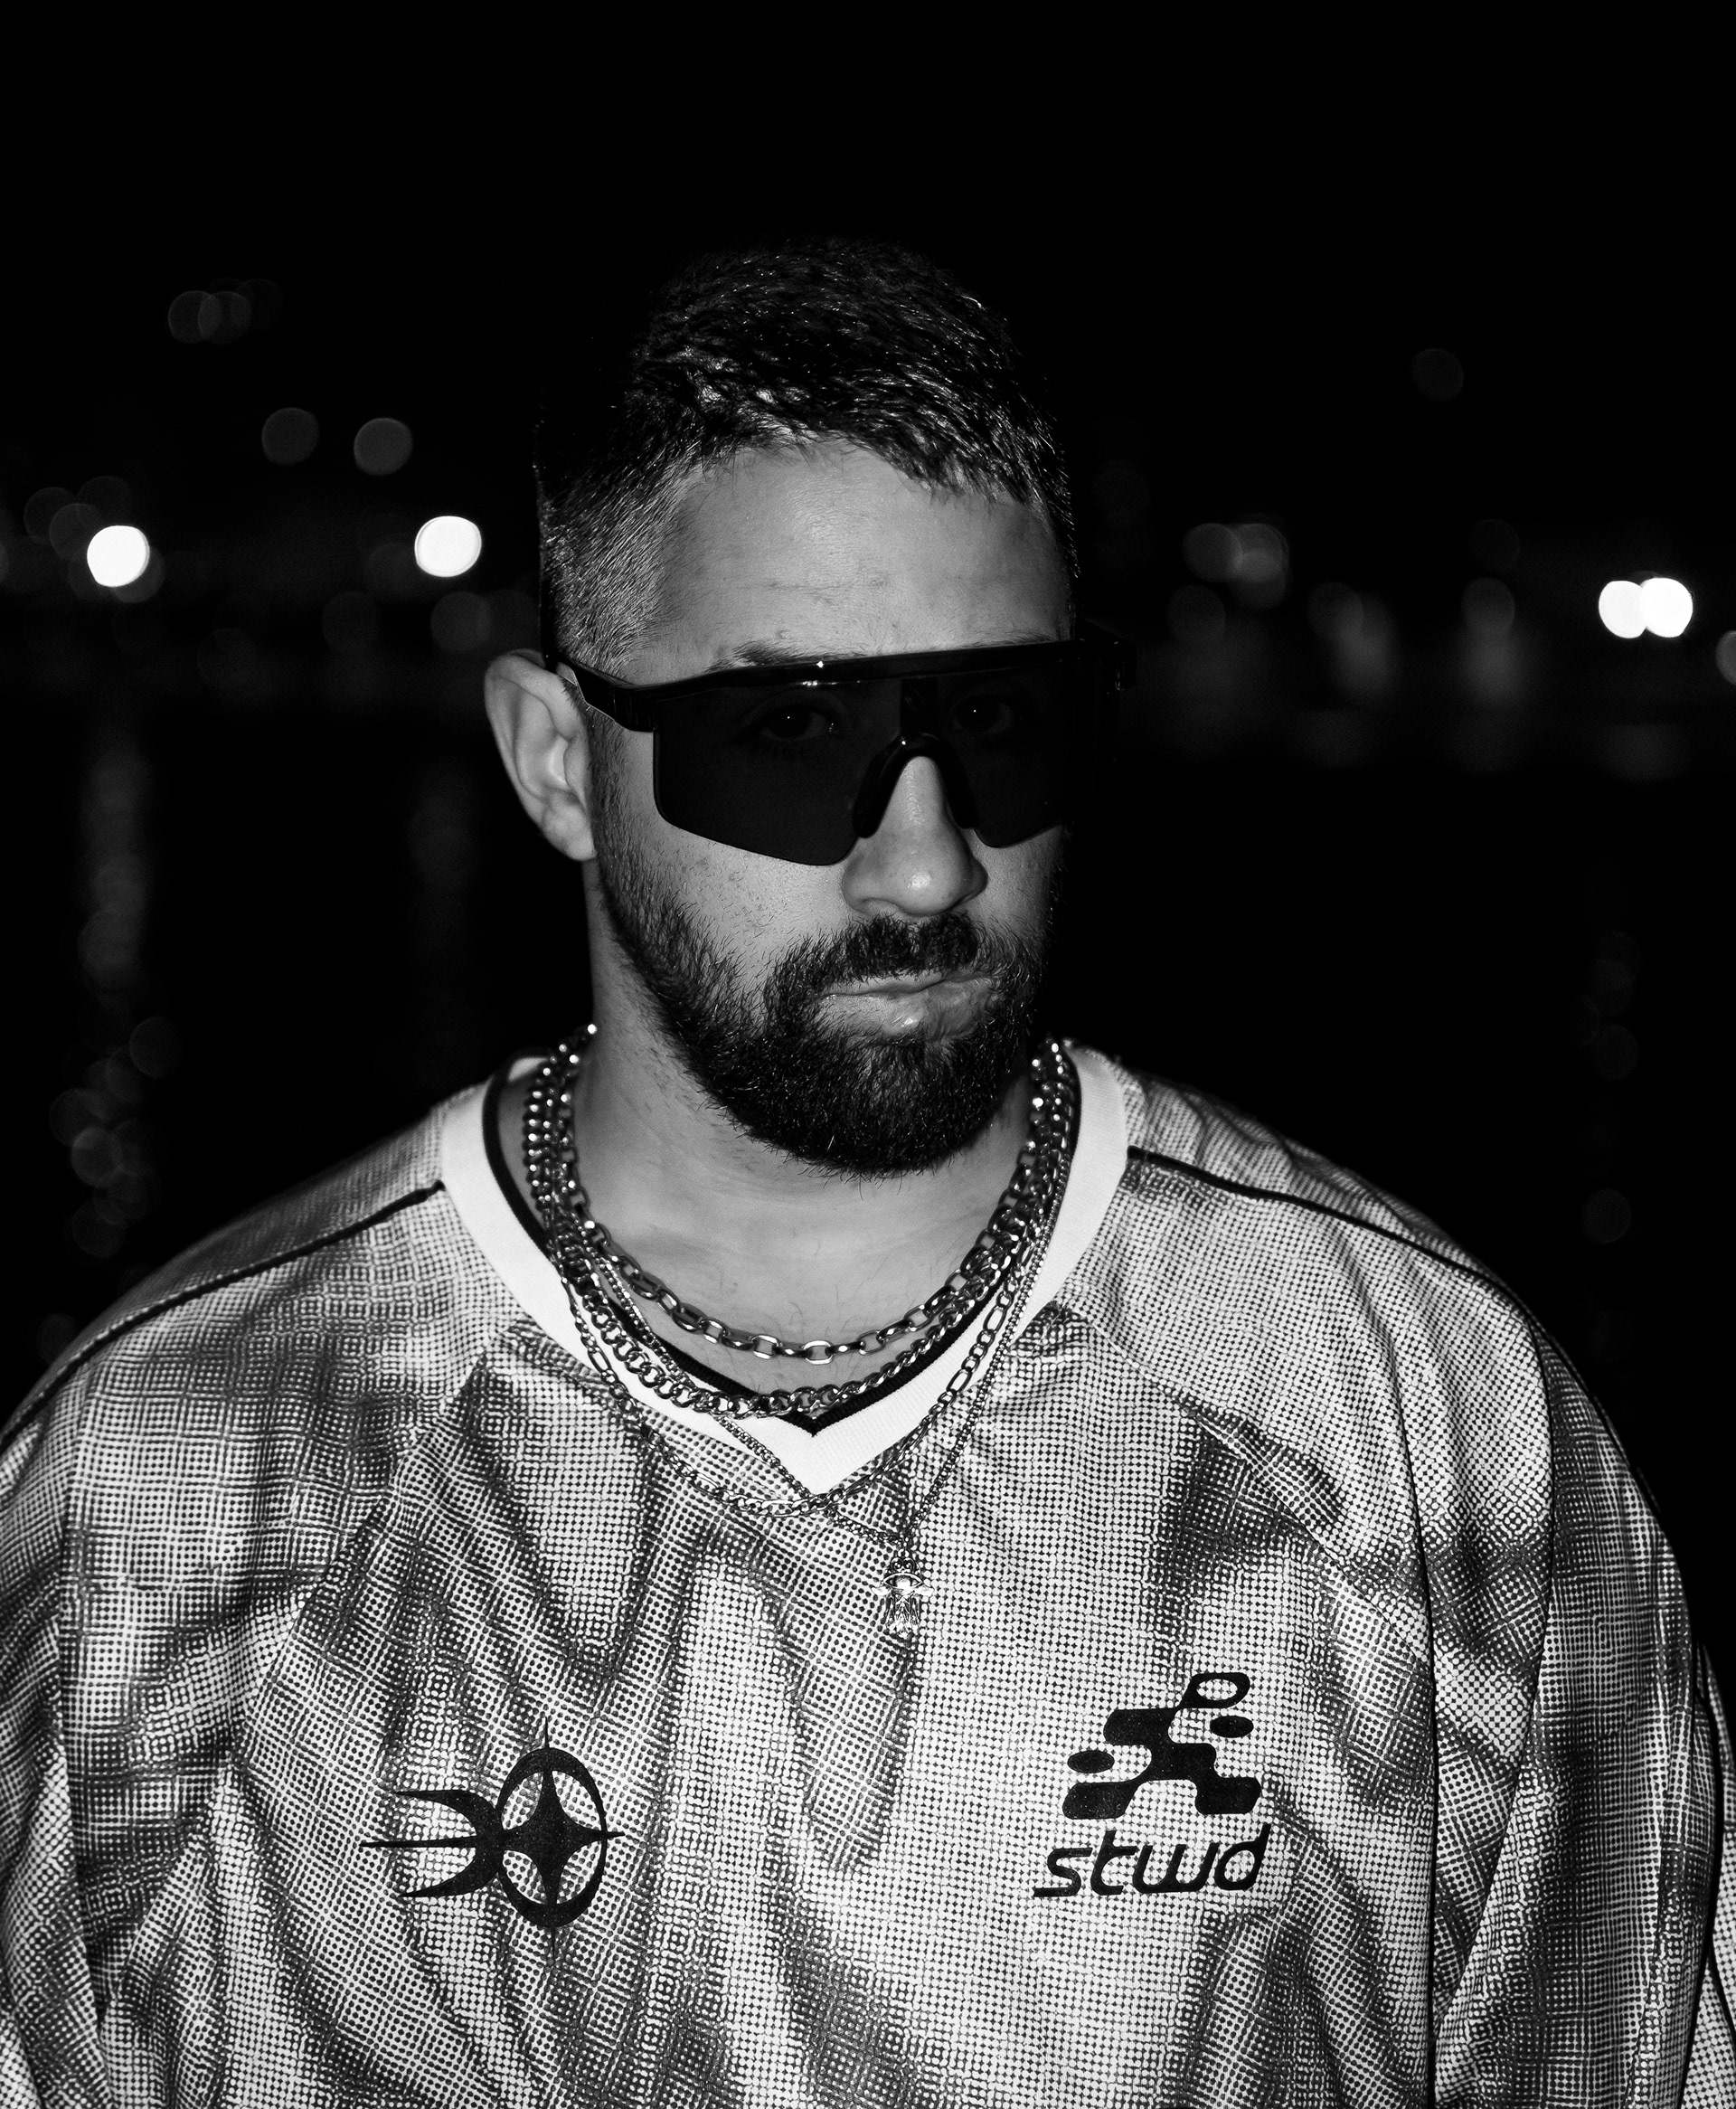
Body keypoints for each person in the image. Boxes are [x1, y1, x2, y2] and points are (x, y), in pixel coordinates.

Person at [1, 240, 1730, 2109]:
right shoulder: (174, 1479)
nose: (926, 863)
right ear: (558, 761)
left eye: (999, 723)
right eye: (788, 736)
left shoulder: (1423, 1423)